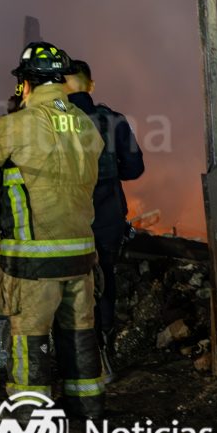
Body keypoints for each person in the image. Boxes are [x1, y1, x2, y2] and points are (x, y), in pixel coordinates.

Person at [0, 42, 106, 418]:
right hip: (80, 253)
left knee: (29, 334)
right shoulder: (87, 124)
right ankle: (87, 407)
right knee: (80, 331)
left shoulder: (13, 126)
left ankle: (30, 414)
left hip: (34, 258)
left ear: (25, 84)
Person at [64, 59, 144, 382]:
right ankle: (104, 352)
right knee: (104, 282)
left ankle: (77, 358)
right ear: (91, 86)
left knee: (70, 287)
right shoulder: (113, 121)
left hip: (66, 223)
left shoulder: (50, 124)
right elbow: (135, 169)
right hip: (108, 220)